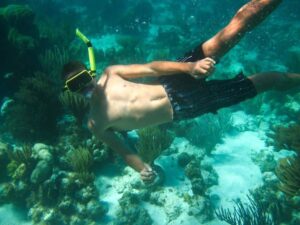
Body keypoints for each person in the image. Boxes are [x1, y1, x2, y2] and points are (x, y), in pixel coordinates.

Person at [62, 0, 299, 182]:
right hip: (186, 106)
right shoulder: (95, 123)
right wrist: (142, 169)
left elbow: (152, 67)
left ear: (90, 72)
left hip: (174, 79)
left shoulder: (111, 73)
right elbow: (124, 151)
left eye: (83, 79)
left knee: (231, 30)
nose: (83, 87)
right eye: (74, 87)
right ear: (70, 92)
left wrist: (190, 66)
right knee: (266, 82)